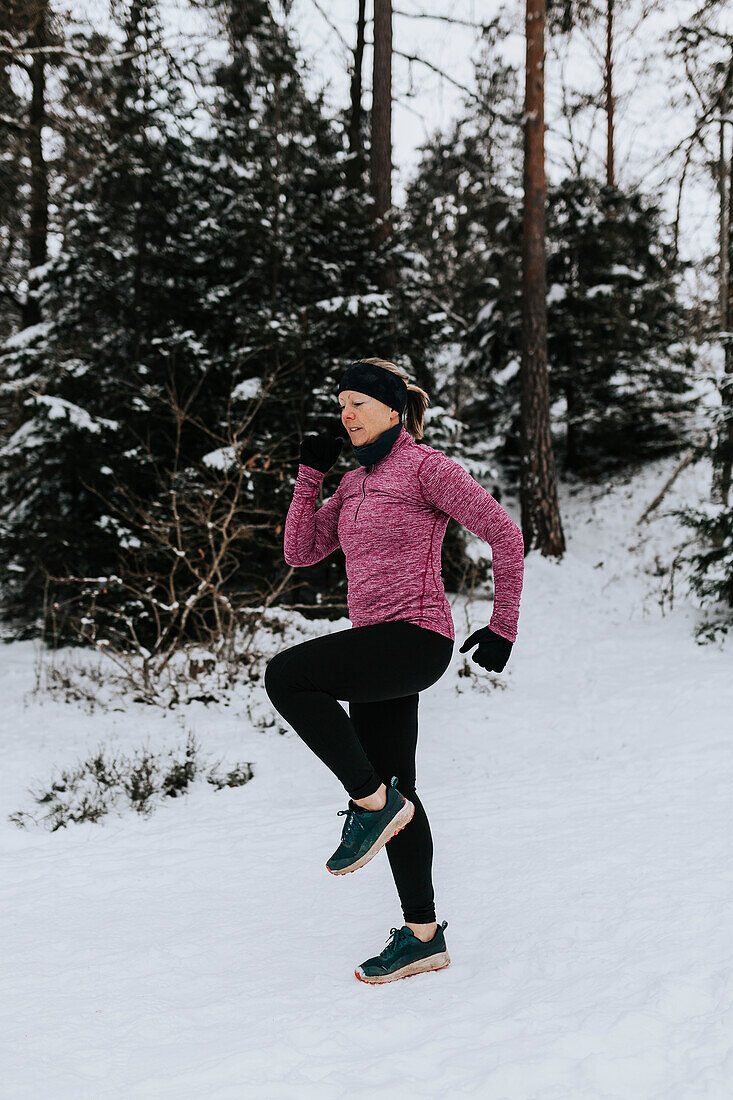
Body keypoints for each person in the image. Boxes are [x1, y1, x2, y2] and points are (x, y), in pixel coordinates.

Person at [264, 357, 524, 984]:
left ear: (391, 410)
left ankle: (370, 802)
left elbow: (505, 534)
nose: (345, 414)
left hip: (415, 639)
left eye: (356, 402)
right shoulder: (350, 485)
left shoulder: (428, 469)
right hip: (375, 648)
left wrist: (502, 624)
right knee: (399, 790)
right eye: (340, 404)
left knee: (288, 676)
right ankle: (422, 935)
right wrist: (310, 477)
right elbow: (301, 553)